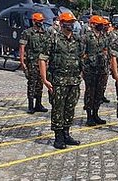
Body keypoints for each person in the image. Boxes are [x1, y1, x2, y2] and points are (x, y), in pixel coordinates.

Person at [39, 12, 83, 149]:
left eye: (73, 22)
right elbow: (42, 59)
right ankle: (58, 137)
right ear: (62, 23)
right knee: (58, 108)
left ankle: (66, 134)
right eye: (68, 22)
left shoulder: (77, 39)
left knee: (70, 108)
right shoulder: (53, 39)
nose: (71, 24)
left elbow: (81, 57)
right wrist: (45, 79)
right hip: (58, 81)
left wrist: (80, 74)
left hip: (74, 81)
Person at [81, 15, 109, 126]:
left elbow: (106, 50)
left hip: (101, 68)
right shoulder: (86, 37)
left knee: (99, 92)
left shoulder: (104, 36)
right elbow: (82, 53)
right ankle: (89, 116)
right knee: (90, 92)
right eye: (99, 24)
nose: (101, 25)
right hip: (90, 69)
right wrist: (83, 68)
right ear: (92, 24)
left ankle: (96, 113)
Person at [20, 13, 49, 114]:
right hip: (32, 62)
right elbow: (22, 47)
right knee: (32, 83)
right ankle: (31, 105)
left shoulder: (45, 33)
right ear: (33, 21)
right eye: (38, 21)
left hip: (42, 63)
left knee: (40, 84)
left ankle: (38, 104)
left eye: (41, 21)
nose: (40, 23)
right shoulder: (27, 33)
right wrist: (22, 62)